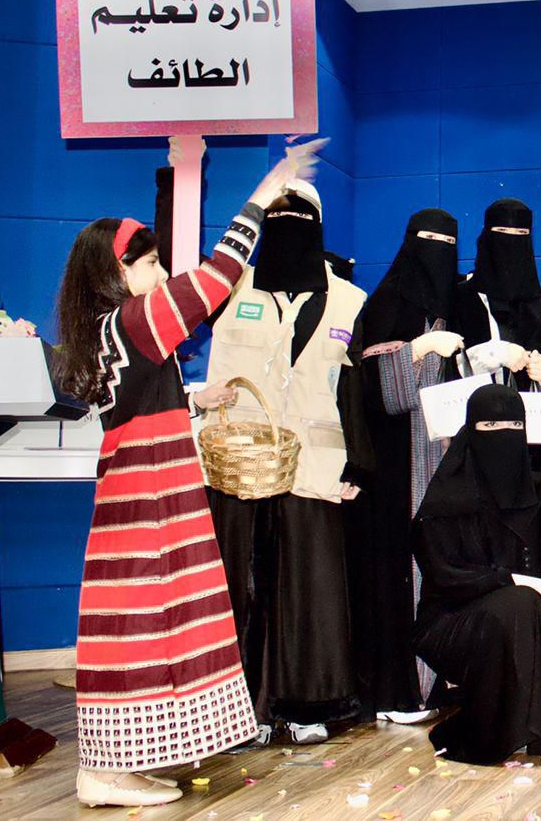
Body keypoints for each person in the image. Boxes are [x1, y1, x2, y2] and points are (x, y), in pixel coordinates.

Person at [55, 140, 323, 807]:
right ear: (118, 270)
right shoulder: (136, 319)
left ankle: (118, 764)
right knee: (142, 623)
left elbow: (134, 402)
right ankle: (103, 772)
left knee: (141, 622)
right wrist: (262, 198)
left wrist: (194, 398)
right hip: (150, 499)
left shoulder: (107, 328)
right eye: (148, 263)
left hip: (139, 492)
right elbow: (214, 279)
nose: (158, 274)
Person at [201, 181, 372, 746]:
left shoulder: (350, 300)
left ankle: (305, 704)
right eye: (276, 218)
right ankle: (235, 711)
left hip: (315, 467)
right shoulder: (228, 288)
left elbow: (356, 393)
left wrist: (357, 468)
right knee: (239, 589)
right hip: (238, 464)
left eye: (299, 217)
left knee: (307, 590)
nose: (288, 227)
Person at [412, 385, 541, 764]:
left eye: (514, 425)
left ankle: (529, 728)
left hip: (532, 619)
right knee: (520, 602)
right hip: (454, 623)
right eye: (491, 425)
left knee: (527, 608)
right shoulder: (447, 499)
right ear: (471, 429)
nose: (503, 434)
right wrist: (514, 580)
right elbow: (445, 577)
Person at [350, 209, 487, 722]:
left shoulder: (464, 303)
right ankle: (405, 689)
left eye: (448, 242)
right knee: (404, 572)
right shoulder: (386, 303)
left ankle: (456, 680)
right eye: (430, 240)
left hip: (455, 466)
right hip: (400, 468)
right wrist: (420, 348)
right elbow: (376, 393)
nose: (439, 252)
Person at [453, 197, 541, 371]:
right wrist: (499, 354)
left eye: (521, 233)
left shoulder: (533, 301)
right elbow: (452, 364)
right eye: (502, 230)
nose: (511, 240)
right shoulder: (462, 296)